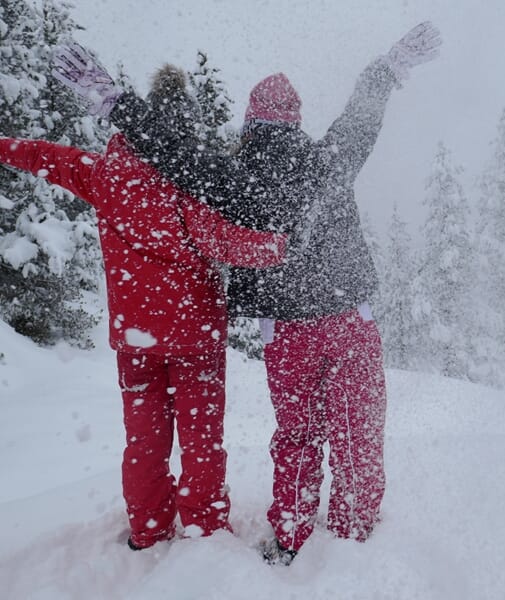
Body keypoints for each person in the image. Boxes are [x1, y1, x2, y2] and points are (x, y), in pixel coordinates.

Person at [54, 21, 442, 565]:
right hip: (350, 318)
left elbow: (173, 154)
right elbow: (362, 115)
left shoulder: (232, 177)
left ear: (252, 122)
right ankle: (354, 538)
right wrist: (390, 66)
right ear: (295, 121)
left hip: (284, 332)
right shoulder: (329, 160)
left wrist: (115, 102)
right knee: (357, 431)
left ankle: (291, 536)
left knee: (297, 435)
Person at [0, 65, 287, 551]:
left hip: (135, 338)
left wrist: (5, 147)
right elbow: (231, 242)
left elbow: (48, 157)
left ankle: (149, 529)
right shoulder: (188, 186)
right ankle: (202, 526)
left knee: (144, 441)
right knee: (201, 442)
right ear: (185, 125)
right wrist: (281, 247)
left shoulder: (106, 175)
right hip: (194, 339)